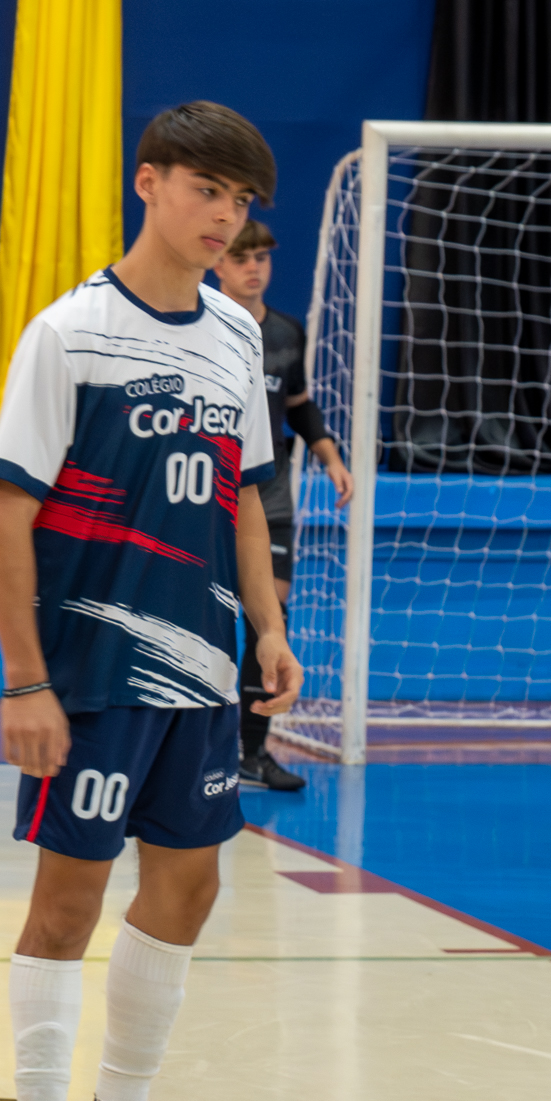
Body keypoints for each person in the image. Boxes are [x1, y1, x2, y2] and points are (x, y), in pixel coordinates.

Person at [0, 102, 304, 1101]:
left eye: (240, 200)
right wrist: (25, 680)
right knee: (66, 905)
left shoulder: (233, 337)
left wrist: (266, 630)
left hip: (202, 673)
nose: (225, 216)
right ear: (147, 181)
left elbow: (244, 502)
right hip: (96, 673)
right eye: (207, 189)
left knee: (190, 886)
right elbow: (5, 516)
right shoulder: (68, 333)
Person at [211, 220, 353, 792]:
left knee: (271, 617)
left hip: (267, 497)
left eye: (262, 259)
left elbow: (298, 405)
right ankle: (195, 745)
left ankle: (254, 749)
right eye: (241, 258)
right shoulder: (200, 325)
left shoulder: (288, 333)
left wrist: (330, 455)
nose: (253, 268)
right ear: (218, 263)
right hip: (206, 494)